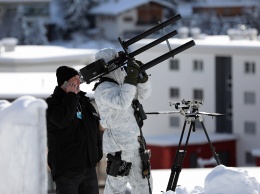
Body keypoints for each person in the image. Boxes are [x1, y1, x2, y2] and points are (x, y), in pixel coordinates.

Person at [93, 48, 153, 194]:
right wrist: (131, 78)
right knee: (116, 188)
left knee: (144, 184)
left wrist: (142, 78)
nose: (121, 68)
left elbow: (144, 94)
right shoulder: (103, 89)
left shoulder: (123, 85)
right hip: (119, 147)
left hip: (135, 143)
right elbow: (122, 101)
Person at [46, 66, 103, 194]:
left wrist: (97, 153)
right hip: (67, 171)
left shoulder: (84, 102)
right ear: (65, 82)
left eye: (79, 79)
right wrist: (71, 95)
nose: (79, 82)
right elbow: (62, 120)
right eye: (75, 79)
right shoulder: (52, 103)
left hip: (89, 169)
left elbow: (95, 128)